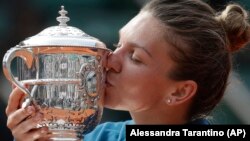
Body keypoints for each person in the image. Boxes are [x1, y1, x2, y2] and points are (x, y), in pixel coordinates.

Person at [5, 0, 250, 140]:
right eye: (118, 45)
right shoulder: (96, 136)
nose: (109, 61)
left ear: (179, 92)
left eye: (135, 57)